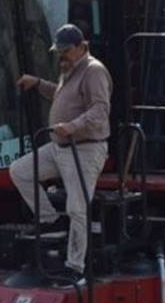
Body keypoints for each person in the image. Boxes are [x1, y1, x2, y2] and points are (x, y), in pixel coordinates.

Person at [10, 24, 111, 285]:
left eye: (65, 51)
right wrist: (38, 83)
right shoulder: (70, 69)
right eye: (59, 51)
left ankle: (76, 268)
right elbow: (61, 96)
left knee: (77, 207)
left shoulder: (94, 71)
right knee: (20, 171)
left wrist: (72, 127)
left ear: (81, 47)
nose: (61, 56)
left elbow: (100, 110)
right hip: (59, 147)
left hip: (85, 148)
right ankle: (49, 220)